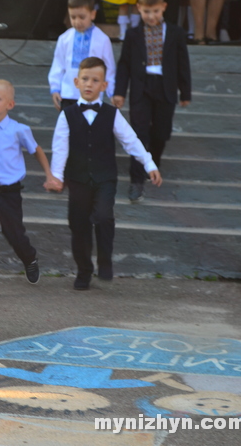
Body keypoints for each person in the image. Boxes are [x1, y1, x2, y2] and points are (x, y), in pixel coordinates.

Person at [46, 56, 162, 290]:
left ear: (104, 85)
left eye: (95, 80)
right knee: (78, 225)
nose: (89, 84)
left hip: (105, 177)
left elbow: (131, 140)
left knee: (103, 216)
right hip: (78, 178)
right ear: (77, 82)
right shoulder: (66, 115)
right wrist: (56, 176)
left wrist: (149, 164)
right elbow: (60, 147)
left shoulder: (112, 114)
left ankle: (105, 260)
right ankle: (84, 270)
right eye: (85, 79)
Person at [0, 79, 57, 298]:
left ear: (10, 104)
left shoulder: (19, 130)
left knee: (13, 233)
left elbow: (37, 151)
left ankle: (29, 258)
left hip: (10, 194)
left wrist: (49, 174)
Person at [113, 0, 191, 203]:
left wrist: (185, 91)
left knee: (161, 132)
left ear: (164, 7)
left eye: (155, 11)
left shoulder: (176, 33)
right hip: (141, 87)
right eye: (146, 11)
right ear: (138, 8)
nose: (151, 16)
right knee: (138, 134)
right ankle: (136, 180)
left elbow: (182, 64)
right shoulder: (133, 34)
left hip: (165, 88)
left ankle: (152, 163)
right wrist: (120, 92)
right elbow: (124, 64)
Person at [48, 0, 116, 111]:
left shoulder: (102, 40)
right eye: (73, 17)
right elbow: (58, 65)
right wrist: (55, 88)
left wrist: (111, 93)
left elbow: (109, 68)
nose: (77, 21)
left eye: (82, 17)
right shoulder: (64, 39)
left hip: (92, 95)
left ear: (93, 14)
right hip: (67, 94)